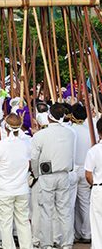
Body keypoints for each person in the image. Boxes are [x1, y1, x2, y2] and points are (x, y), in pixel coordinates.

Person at [30, 103, 75, 249]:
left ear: (49, 117)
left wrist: (36, 174)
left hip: (47, 175)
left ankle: (47, 243)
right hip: (64, 174)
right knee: (64, 211)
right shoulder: (70, 133)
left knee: (46, 211)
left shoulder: (40, 135)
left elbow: (34, 159)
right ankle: (67, 243)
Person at [0, 113, 32, 249]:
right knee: (23, 221)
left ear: (6, 127)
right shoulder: (25, 145)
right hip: (22, 189)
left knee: (5, 223)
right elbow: (29, 163)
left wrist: (1, 177)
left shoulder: (0, 146)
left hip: (5, 190)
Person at [70, 103, 92, 243]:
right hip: (86, 168)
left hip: (74, 169)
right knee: (84, 203)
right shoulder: (91, 130)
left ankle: (71, 234)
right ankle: (85, 233)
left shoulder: (70, 130)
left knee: (70, 204)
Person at [84, 119, 102, 249]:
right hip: (98, 187)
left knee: (97, 223)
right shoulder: (94, 150)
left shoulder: (94, 151)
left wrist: (94, 184)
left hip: (99, 188)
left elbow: (88, 175)